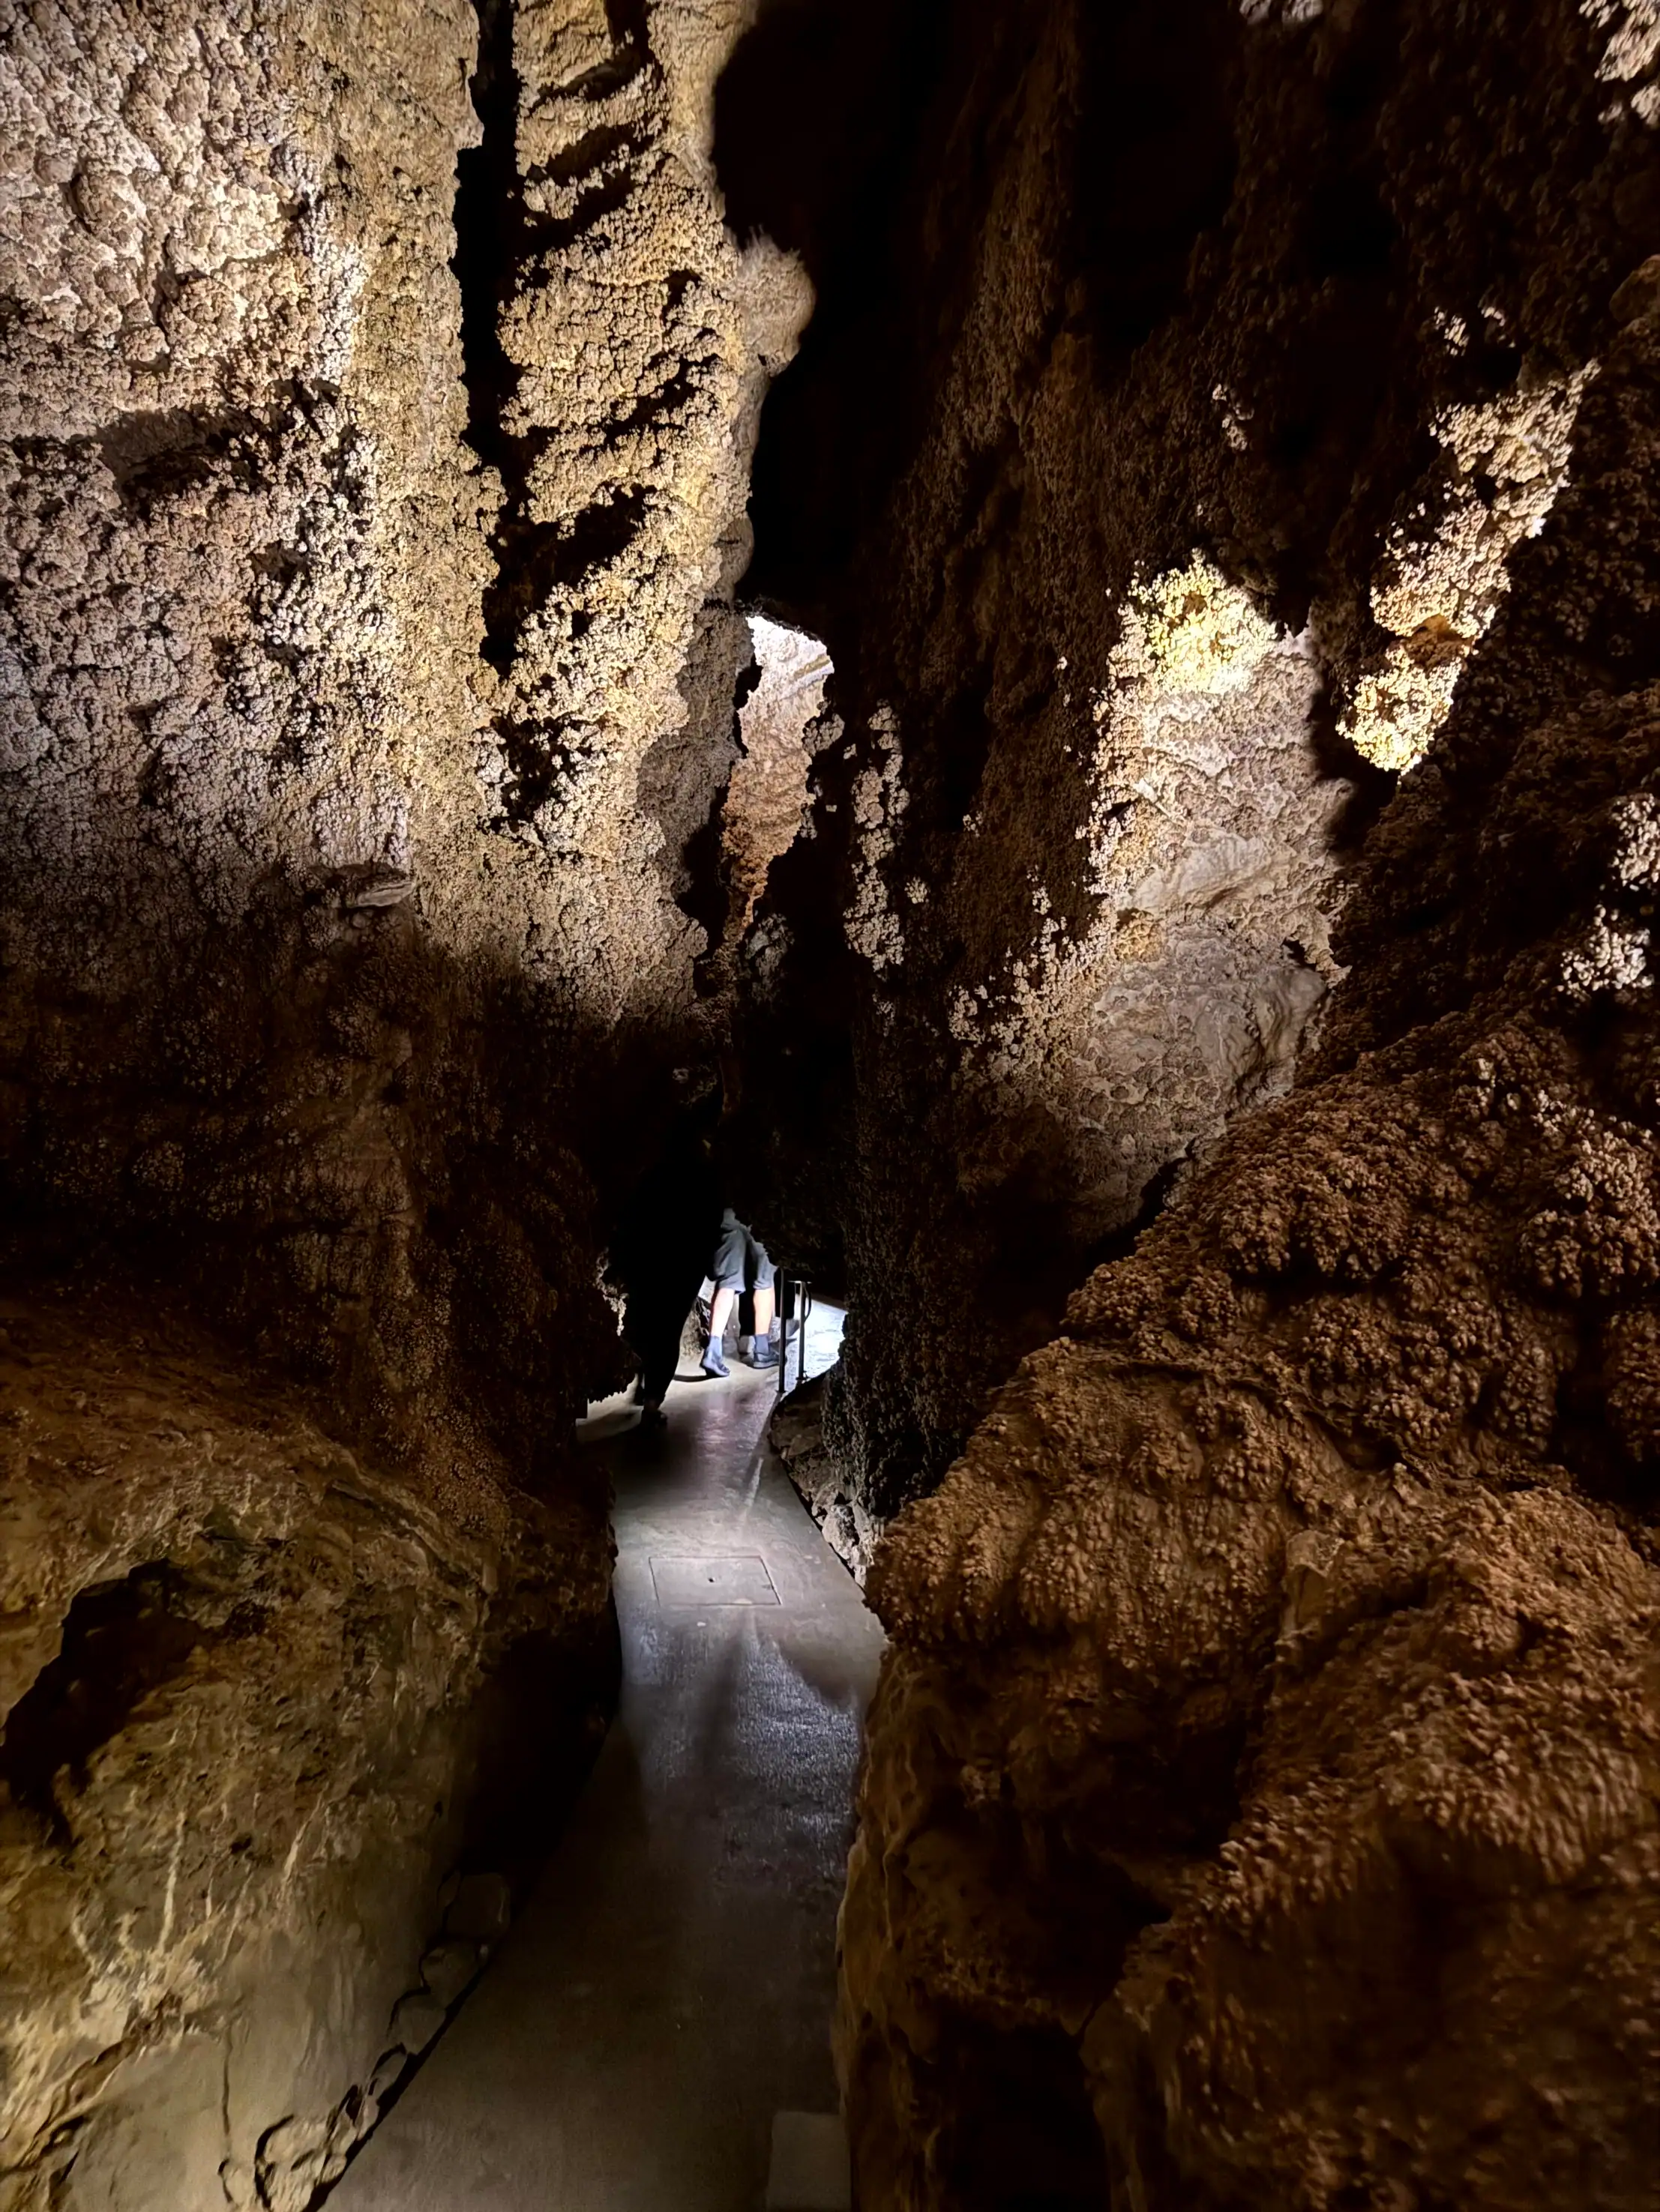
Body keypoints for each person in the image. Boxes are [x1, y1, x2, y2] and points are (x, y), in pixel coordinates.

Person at [612, 1113, 723, 1428]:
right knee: (668, 1330)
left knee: (643, 1323)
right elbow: (711, 1220)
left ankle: (637, 1379)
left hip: (648, 1261)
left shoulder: (653, 1174)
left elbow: (632, 1217)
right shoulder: (704, 1177)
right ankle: (651, 1402)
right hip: (683, 1264)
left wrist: (624, 1259)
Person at [700, 1208, 778, 1375]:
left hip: (732, 1212)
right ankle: (763, 1352)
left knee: (727, 1282)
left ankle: (713, 1353)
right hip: (763, 1214)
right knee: (764, 1281)